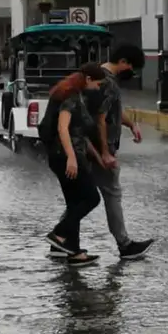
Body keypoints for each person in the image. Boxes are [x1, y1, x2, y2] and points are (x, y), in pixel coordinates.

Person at [90, 42, 155, 260]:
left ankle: (62, 237)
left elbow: (114, 111)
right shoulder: (108, 83)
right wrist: (105, 151)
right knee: (112, 193)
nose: (132, 73)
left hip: (92, 147)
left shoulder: (102, 77)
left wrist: (131, 125)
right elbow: (101, 119)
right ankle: (125, 245)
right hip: (100, 148)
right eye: (132, 68)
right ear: (123, 62)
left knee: (83, 197)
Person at [42, 63, 108, 267]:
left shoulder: (76, 95)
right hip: (65, 157)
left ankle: (73, 252)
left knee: (74, 204)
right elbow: (63, 129)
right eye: (98, 83)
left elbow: (79, 134)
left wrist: (98, 157)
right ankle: (59, 234)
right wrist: (71, 157)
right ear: (88, 79)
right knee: (91, 198)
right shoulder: (70, 98)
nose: (98, 88)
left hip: (66, 155)